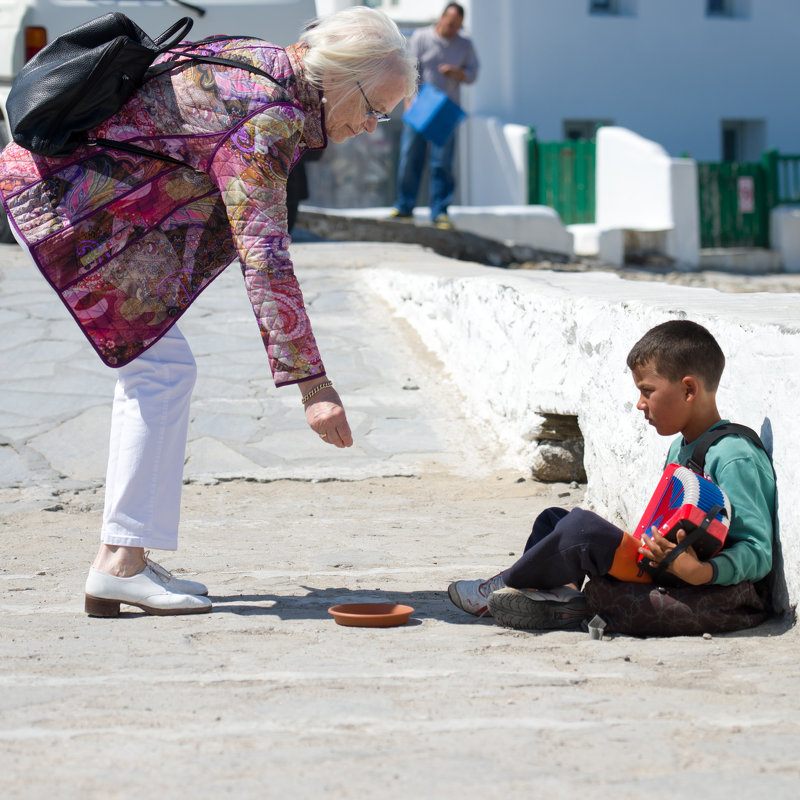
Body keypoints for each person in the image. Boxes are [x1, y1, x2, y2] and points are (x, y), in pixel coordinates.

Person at [0, 6, 417, 617]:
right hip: (65, 204)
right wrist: (314, 387)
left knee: (160, 371)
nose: (372, 127)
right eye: (375, 108)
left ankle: (125, 557)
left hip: (65, 191)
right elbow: (265, 256)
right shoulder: (269, 119)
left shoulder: (267, 64)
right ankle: (119, 564)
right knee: (161, 373)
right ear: (342, 77)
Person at [447, 320, 776, 631]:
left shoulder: (734, 456)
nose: (640, 404)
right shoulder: (680, 448)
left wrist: (700, 570)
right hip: (662, 562)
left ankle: (504, 588)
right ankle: (560, 595)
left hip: (697, 579)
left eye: (647, 391)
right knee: (555, 519)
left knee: (583, 530)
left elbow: (757, 550)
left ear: (688, 390)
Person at [390, 2, 478, 229]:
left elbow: (473, 72)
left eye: (456, 26)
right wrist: (409, 102)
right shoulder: (421, 37)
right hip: (421, 106)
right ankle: (404, 207)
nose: (451, 29)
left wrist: (458, 73)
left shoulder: (465, 44)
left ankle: (440, 212)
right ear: (441, 18)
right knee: (410, 158)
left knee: (442, 163)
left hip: (447, 108)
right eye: (449, 24)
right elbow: (410, 70)